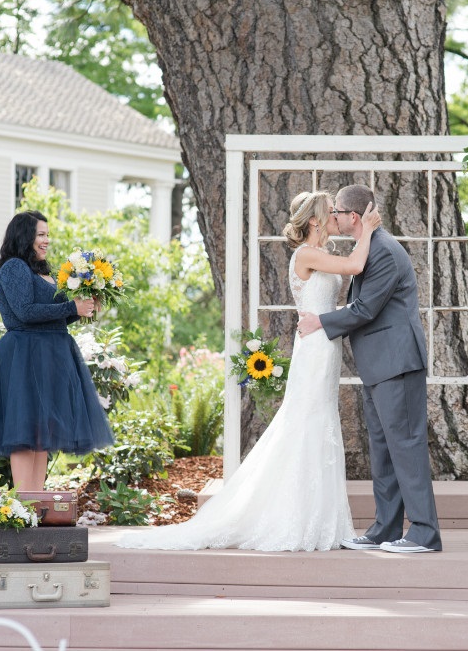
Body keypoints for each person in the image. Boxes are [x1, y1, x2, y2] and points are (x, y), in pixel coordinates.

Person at [117, 191, 381, 551]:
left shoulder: (324, 254)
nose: (337, 217)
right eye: (331, 214)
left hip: (325, 344)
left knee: (321, 424)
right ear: (316, 221)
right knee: (305, 424)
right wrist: (366, 230)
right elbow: (355, 266)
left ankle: (320, 519)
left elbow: (347, 272)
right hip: (315, 349)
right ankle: (291, 518)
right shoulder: (306, 254)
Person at [298, 184, 442, 554]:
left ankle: (424, 533)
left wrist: (321, 323)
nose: (334, 219)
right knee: (383, 449)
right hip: (378, 366)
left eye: (338, 213)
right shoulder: (370, 249)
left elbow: (365, 310)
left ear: (353, 217)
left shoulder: (385, 253)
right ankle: (385, 528)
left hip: (397, 364)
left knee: (406, 447)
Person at [0, 210, 113, 492]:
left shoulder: (45, 272)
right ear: (24, 236)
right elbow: (25, 312)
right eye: (41, 234)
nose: (46, 240)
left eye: (47, 235)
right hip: (25, 354)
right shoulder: (14, 267)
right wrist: (70, 306)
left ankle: (36, 504)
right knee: (25, 432)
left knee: (42, 435)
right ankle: (22, 503)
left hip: (52, 354)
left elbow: (57, 316)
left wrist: (83, 308)